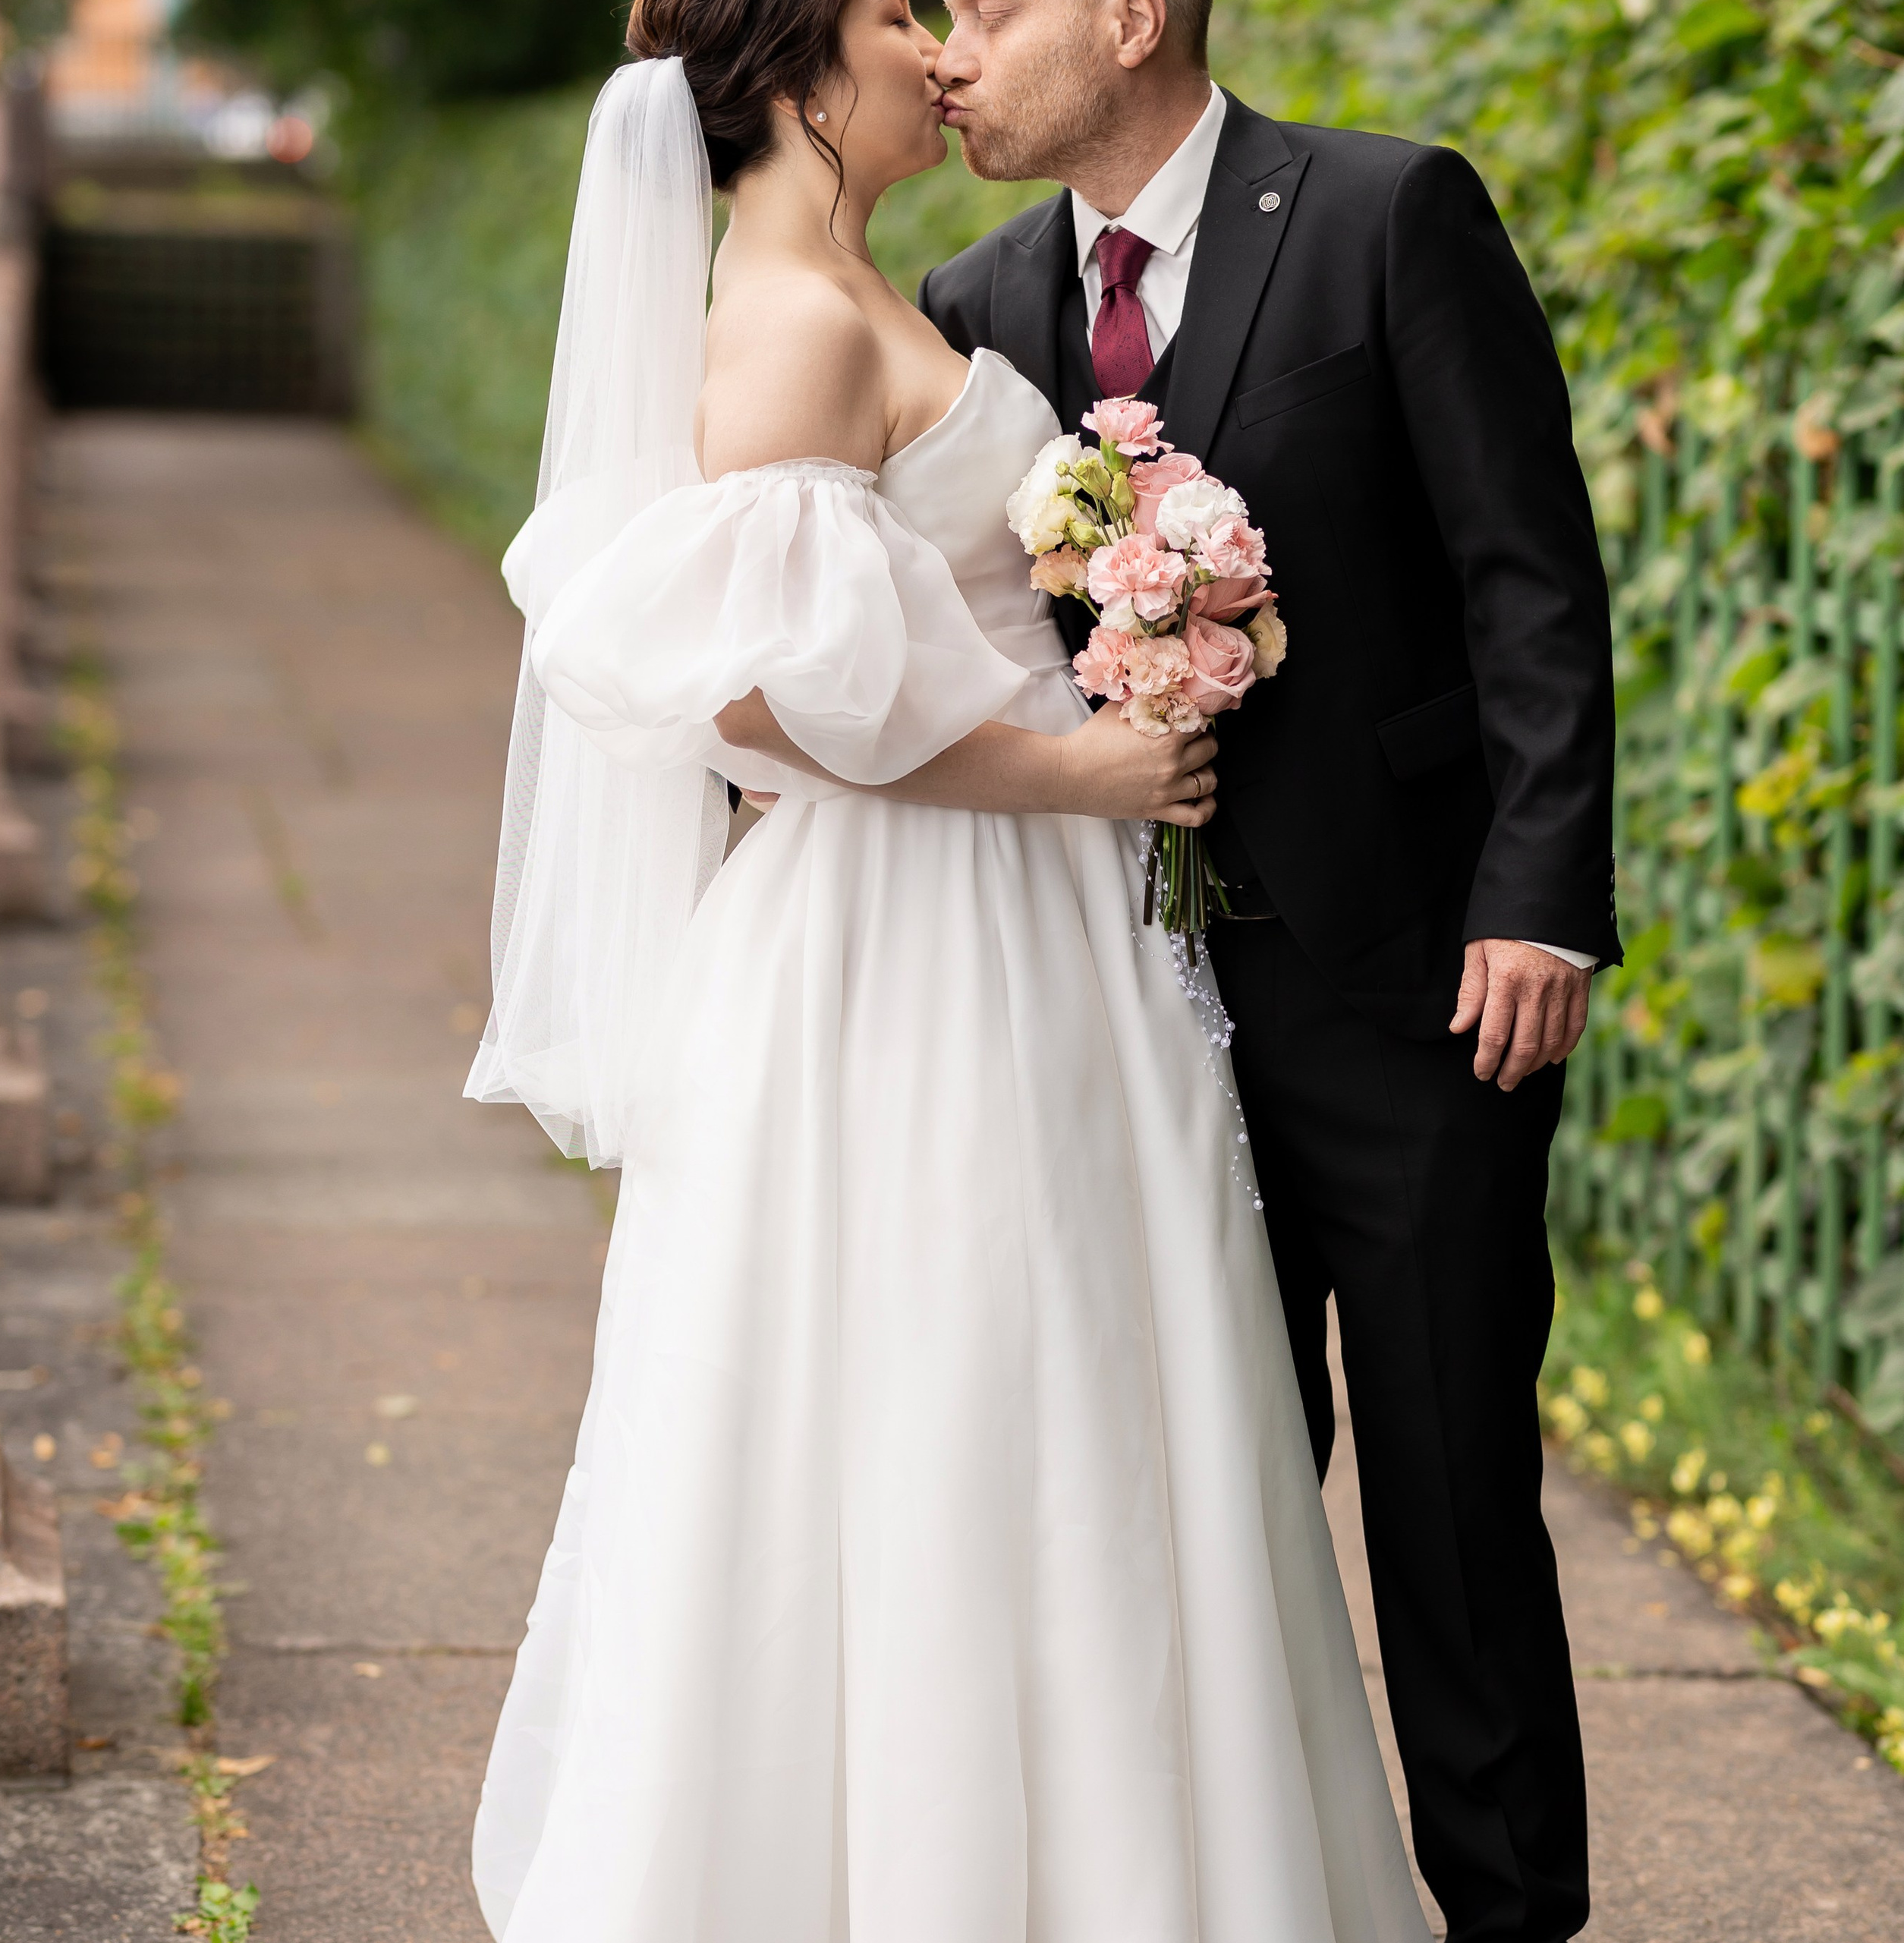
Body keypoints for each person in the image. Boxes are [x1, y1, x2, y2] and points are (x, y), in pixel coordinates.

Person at [463, 2, 1437, 1938]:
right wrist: (1079, 765)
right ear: (810, 67)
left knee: (1059, 1390)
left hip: (1017, 924)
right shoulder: (799, 317)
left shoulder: (851, 286)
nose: (940, 43)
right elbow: (748, 689)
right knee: (953, 1391)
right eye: (903, 13)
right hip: (913, 946)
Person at [919, 3, 1620, 1939]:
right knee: (1175, 1510)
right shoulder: (966, 300)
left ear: (1130, 14)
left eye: (986, 7)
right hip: (1118, 1007)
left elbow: (1526, 582)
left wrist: (1538, 894)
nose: (946, 50)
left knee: (1448, 1498)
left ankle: (1506, 1914)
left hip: (1411, 989)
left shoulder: (1384, 216)